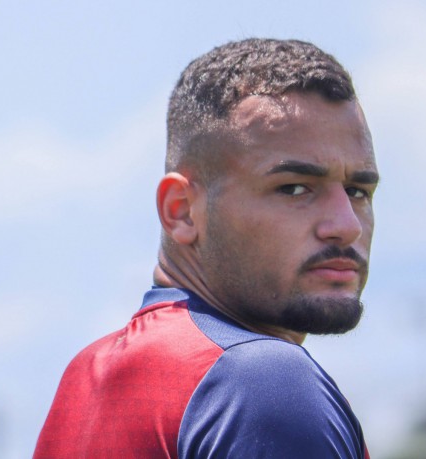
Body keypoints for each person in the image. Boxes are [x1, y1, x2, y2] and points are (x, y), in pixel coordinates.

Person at [34, 38, 378, 458]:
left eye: (358, 191)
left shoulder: (85, 378)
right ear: (181, 211)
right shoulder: (262, 383)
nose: (345, 226)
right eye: (293, 188)